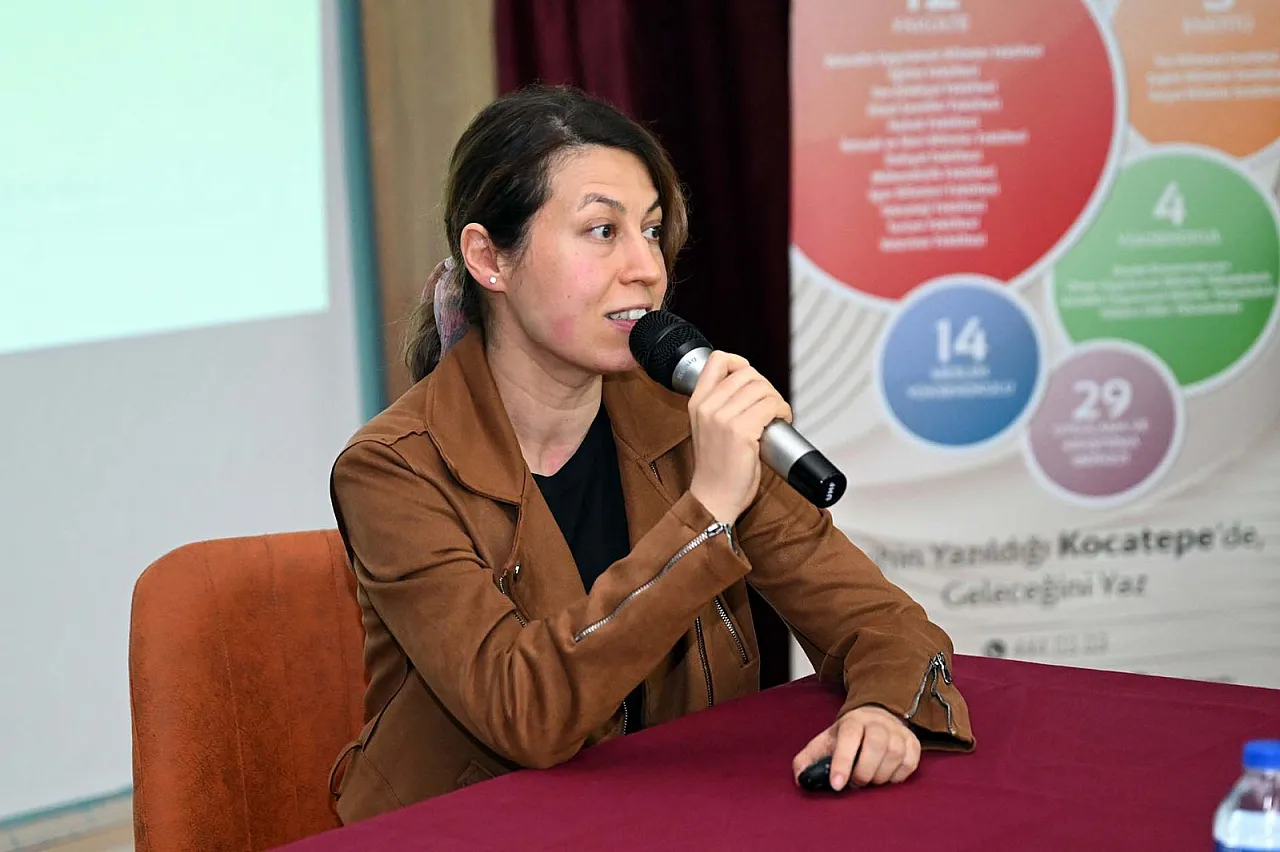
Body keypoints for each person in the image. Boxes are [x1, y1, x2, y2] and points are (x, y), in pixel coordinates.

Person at [327, 83, 974, 824]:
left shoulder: (684, 420)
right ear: (489, 259)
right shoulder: (392, 468)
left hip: (673, 814)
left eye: (653, 229)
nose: (647, 267)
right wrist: (708, 514)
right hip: (471, 828)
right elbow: (522, 711)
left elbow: (882, 622)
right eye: (603, 230)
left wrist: (882, 711)